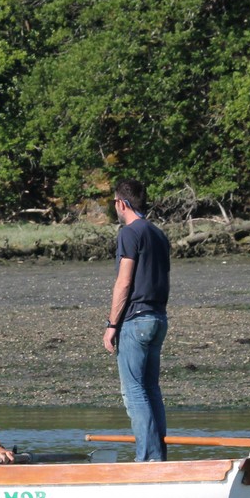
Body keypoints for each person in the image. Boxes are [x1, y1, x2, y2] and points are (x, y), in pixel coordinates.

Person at [103, 178, 171, 462]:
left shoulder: (129, 233)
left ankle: (148, 460)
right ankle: (158, 456)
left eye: (114, 203)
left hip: (136, 320)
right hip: (158, 318)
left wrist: (111, 325)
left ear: (121, 203)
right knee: (151, 389)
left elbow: (124, 281)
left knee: (135, 392)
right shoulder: (158, 234)